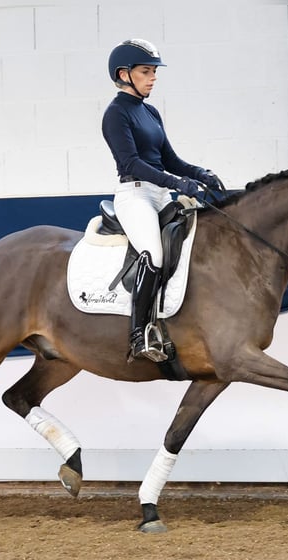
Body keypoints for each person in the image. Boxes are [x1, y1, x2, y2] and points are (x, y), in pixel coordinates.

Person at [102, 39, 221, 363]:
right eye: (146, 71)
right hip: (135, 194)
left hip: (160, 193)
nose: (152, 77)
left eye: (154, 72)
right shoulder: (115, 114)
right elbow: (131, 164)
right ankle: (139, 335)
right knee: (153, 253)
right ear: (124, 74)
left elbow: (168, 158)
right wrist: (177, 182)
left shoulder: (150, 111)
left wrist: (199, 173)